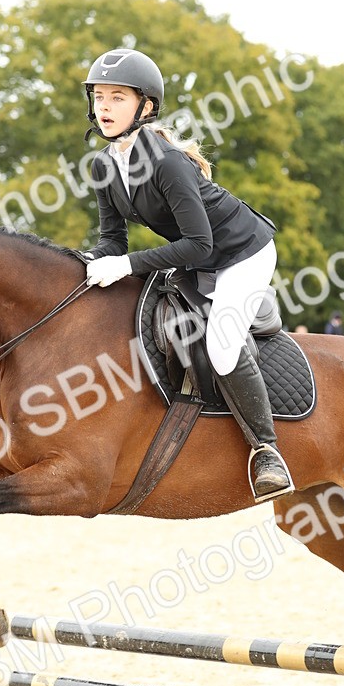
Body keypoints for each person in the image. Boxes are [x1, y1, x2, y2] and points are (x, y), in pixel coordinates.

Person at [81, 47, 293, 503]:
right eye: (99, 96)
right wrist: (80, 266)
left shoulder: (167, 163)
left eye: (117, 98)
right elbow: (112, 242)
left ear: (146, 106)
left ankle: (268, 452)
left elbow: (201, 244)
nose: (104, 107)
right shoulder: (103, 165)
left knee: (220, 346)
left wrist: (126, 265)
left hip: (241, 252)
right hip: (197, 257)